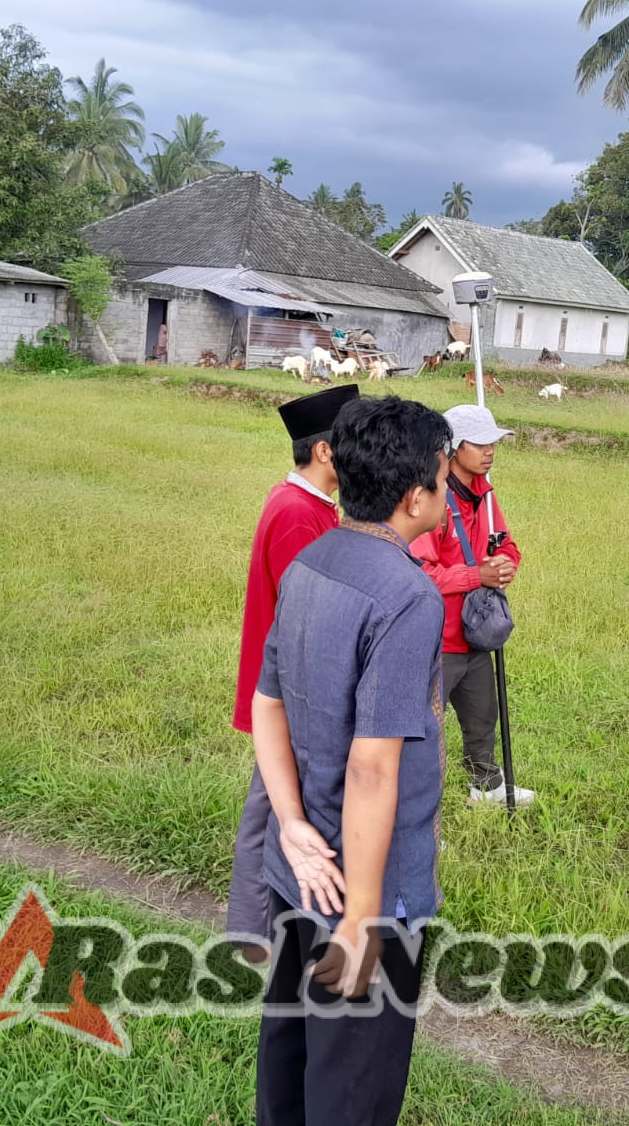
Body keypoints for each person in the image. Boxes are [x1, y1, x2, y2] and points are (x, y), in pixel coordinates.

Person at [250, 394, 451, 1126]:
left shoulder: (313, 559)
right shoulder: (406, 594)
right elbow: (373, 767)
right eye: (439, 471)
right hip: (367, 889)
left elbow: (266, 703)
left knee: (294, 1048)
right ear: (414, 494)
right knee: (355, 1081)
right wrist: (363, 917)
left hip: (299, 869)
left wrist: (293, 824)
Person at [229, 384, 360, 954]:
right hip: (283, 692)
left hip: (288, 689)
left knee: (279, 804)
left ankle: (268, 923)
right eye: (349, 441)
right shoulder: (296, 514)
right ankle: (250, 933)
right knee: (268, 810)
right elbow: (305, 614)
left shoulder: (311, 507)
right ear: (326, 452)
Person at [409, 404, 532, 806]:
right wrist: (476, 576)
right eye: (480, 442)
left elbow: (509, 545)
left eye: (494, 442)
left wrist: (504, 565)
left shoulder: (486, 496)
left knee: (483, 715)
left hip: (476, 632)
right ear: (454, 448)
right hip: (437, 638)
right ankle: (417, 807)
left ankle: (487, 787)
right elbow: (420, 572)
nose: (490, 450)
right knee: (424, 727)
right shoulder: (431, 499)